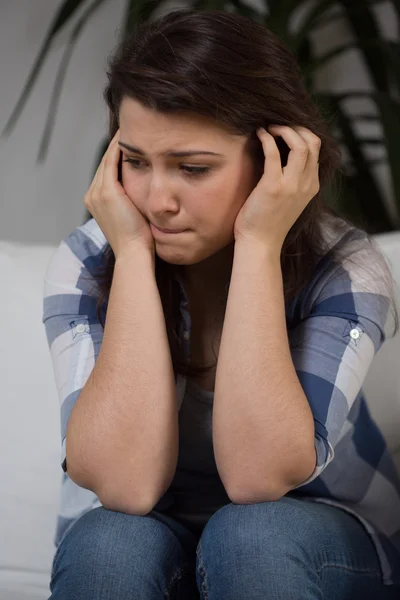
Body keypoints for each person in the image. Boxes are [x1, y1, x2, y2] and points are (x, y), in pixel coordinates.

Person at [42, 8, 400, 600]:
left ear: (275, 158)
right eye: (135, 161)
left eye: (193, 168)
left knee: (251, 536)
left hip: (315, 539)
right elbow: (126, 487)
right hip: (150, 540)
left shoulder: (345, 267)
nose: (158, 200)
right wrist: (131, 257)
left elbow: (258, 480)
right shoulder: (90, 260)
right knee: (108, 543)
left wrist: (259, 245)